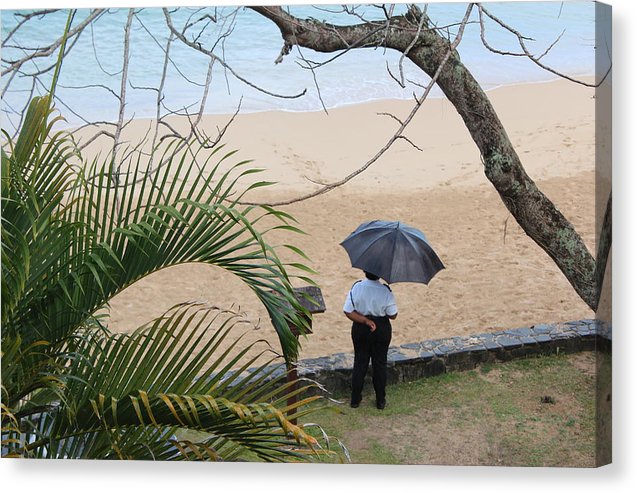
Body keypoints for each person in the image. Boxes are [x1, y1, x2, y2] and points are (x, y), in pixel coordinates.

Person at [343, 271, 398, 410]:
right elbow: (393, 315)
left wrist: (365, 321)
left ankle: (355, 399)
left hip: (361, 328)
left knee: (360, 362)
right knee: (380, 364)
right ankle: (380, 400)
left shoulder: (357, 287)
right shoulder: (385, 291)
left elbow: (348, 311)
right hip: (381, 329)